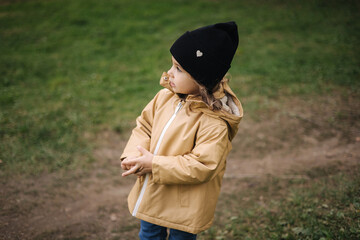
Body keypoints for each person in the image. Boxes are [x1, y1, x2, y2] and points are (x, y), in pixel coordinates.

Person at [120, 21, 243, 240]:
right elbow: (144, 126)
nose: (169, 73)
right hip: (154, 192)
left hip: (186, 205)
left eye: (178, 69)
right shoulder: (164, 97)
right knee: (149, 235)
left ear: (201, 79)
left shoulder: (213, 121)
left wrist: (154, 164)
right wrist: (135, 155)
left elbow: (202, 165)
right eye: (172, 65)